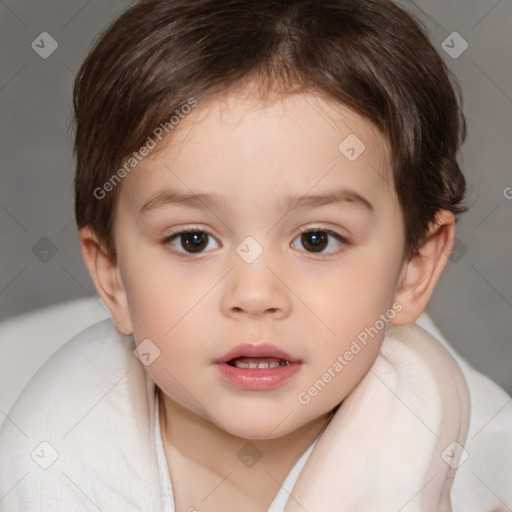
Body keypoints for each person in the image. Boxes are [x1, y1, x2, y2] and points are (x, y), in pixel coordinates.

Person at [0, 1, 510, 510]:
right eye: (193, 240)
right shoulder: (44, 463)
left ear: (413, 269)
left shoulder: (484, 478)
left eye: (317, 239)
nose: (255, 295)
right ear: (112, 276)